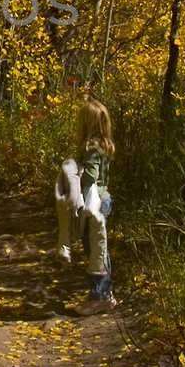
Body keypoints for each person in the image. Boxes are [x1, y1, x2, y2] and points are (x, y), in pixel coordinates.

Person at [53, 99, 117, 312]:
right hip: (103, 199)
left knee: (95, 250)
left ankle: (100, 297)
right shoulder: (104, 145)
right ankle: (103, 294)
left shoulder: (91, 148)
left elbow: (91, 176)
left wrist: (76, 173)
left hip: (94, 203)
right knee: (99, 247)